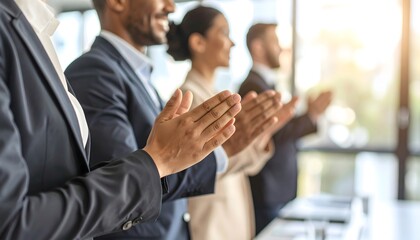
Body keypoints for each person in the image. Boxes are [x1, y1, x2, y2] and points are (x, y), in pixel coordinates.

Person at [0, 0, 243, 239]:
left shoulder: (36, 31)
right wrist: (159, 160)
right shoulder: (94, 70)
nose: (171, 7)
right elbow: (116, 176)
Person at [65, 1, 282, 239]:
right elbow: (124, 187)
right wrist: (223, 149)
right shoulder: (95, 71)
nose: (170, 6)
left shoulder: (140, 77)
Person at [166, 6, 297, 240]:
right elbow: (197, 172)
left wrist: (263, 133)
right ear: (198, 43)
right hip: (212, 223)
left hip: (229, 215)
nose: (232, 44)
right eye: (223, 33)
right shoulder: (190, 99)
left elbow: (241, 163)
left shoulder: (214, 94)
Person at [238, 23, 333, 234]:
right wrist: (311, 116)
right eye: (274, 42)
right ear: (258, 47)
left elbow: (278, 126)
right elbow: (274, 131)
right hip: (267, 193)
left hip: (275, 192)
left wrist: (310, 115)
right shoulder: (253, 87)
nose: (280, 48)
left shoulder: (264, 83)